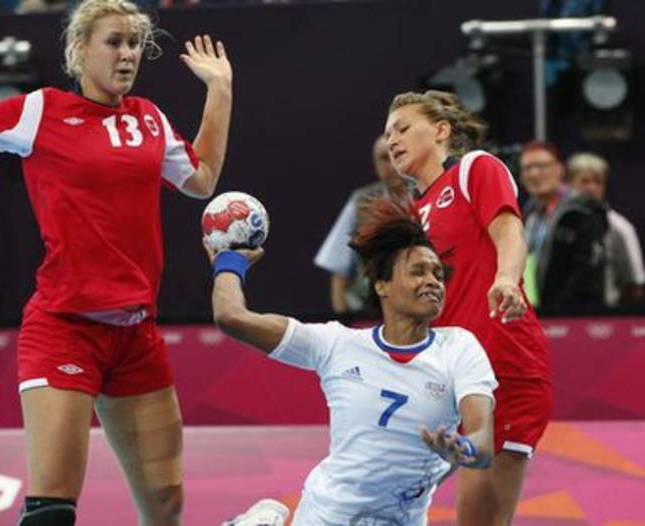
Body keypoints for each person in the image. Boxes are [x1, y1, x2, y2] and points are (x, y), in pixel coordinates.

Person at [0, 0, 232, 523]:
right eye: (114, 42)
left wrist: (220, 90)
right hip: (64, 328)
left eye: (134, 44)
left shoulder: (148, 119)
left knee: (165, 505)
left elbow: (202, 178)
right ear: (79, 49)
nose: (127, 54)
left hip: (136, 335)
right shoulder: (41, 111)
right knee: (51, 510)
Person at [209, 200, 496, 525]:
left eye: (438, 274)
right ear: (382, 285)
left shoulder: (459, 348)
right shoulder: (337, 344)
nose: (433, 281)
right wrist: (229, 261)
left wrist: (465, 449)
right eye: (418, 271)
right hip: (326, 516)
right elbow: (231, 317)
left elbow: (483, 441)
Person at [383, 90, 551, 525]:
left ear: (441, 131)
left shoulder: (475, 169)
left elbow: (509, 230)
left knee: (480, 520)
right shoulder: (415, 212)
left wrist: (506, 278)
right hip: (449, 378)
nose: (392, 141)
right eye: (388, 134)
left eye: (403, 128)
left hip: (502, 364)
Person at [314, 135, 409, 314]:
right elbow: (339, 267)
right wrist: (343, 319)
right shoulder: (361, 202)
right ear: (375, 164)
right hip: (368, 307)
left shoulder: (428, 197)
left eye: (395, 155)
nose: (391, 165)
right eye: (384, 158)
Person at [520, 142, 607, 309]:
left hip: (574, 315)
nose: (534, 173)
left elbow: (588, 273)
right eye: (527, 168)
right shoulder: (528, 213)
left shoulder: (583, 210)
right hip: (536, 311)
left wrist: (560, 309)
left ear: (559, 169)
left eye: (542, 166)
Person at [567, 152, 644, 307]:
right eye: (585, 181)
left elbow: (634, 284)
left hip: (604, 314)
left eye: (598, 182)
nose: (592, 188)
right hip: (555, 313)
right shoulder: (556, 222)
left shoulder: (620, 228)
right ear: (569, 183)